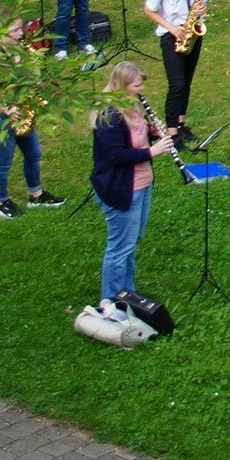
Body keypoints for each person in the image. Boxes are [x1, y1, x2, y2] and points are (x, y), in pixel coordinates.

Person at [90, 60, 178, 308]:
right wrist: (154, 151)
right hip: (121, 188)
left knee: (131, 241)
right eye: (137, 85)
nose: (141, 89)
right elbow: (116, 155)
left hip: (141, 184)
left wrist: (151, 132)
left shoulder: (133, 105)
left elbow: (135, 137)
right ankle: (109, 301)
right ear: (123, 85)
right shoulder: (109, 115)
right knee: (119, 247)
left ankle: (126, 293)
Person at [0, 16, 66, 217]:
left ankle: (36, 195)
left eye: (20, 29)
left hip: (22, 109)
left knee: (34, 154)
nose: (21, 33)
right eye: (15, 30)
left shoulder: (18, 49)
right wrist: (5, 108)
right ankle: (2, 203)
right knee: (3, 160)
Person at [143, 0, 207, 146]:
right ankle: (171, 132)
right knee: (177, 84)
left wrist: (201, 10)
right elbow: (149, 9)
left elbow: (203, 1)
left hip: (192, 32)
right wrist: (171, 27)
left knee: (187, 81)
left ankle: (181, 123)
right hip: (172, 34)